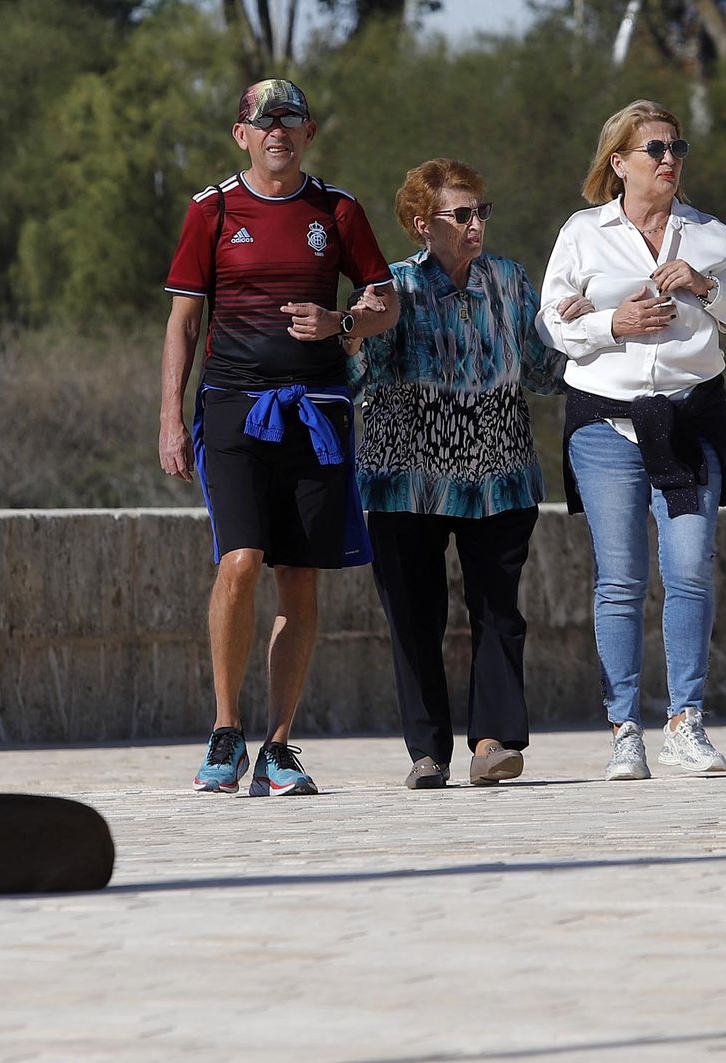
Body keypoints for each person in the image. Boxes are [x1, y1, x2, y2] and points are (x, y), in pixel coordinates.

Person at [159, 79, 399, 797]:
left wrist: (342, 323)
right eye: (263, 122)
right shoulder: (212, 210)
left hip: (316, 413)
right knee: (240, 561)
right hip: (234, 408)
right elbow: (183, 322)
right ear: (242, 136)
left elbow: (384, 302)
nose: (278, 132)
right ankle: (225, 729)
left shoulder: (338, 210)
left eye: (291, 120)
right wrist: (170, 417)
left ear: (308, 133)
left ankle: (280, 745)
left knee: (298, 574)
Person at [536, 99, 726, 782]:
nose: (669, 160)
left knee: (690, 566)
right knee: (620, 578)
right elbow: (549, 324)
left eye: (676, 148)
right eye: (655, 149)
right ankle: (624, 730)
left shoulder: (710, 235)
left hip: (689, 421)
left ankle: (685, 722)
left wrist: (706, 287)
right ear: (619, 162)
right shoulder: (583, 233)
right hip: (605, 426)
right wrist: (613, 323)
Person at [345, 159, 588, 789]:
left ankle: (492, 743)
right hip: (407, 483)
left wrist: (581, 329)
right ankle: (427, 753)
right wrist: (353, 333)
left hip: (500, 478)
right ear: (422, 225)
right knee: (414, 619)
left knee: (499, 612)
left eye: (482, 211)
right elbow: (353, 380)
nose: (476, 224)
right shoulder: (392, 288)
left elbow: (541, 371)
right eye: (462, 214)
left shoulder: (509, 279)